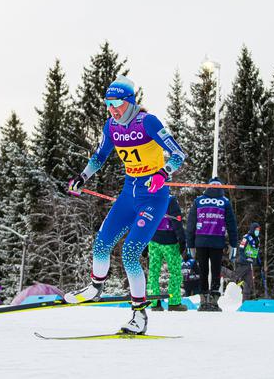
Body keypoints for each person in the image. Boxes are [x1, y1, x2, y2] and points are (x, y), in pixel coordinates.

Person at [64, 76, 186, 334]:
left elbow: (178, 154)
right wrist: (82, 176)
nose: (112, 109)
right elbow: (99, 156)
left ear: (130, 102)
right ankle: (95, 288)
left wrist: (163, 173)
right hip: (128, 194)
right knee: (102, 244)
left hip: (153, 196)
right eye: (108, 104)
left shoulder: (148, 122)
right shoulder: (111, 126)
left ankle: (139, 315)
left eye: (117, 103)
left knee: (130, 252)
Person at [186, 177, 238, 312]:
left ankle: (203, 301)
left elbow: (191, 224)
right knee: (215, 271)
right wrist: (233, 244)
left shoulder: (198, 201)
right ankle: (214, 301)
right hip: (217, 241)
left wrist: (190, 244)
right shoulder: (224, 202)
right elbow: (232, 225)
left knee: (203, 270)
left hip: (201, 241)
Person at [147, 195, 187, 311]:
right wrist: (182, 240)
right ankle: (174, 303)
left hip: (153, 241)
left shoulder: (151, 198)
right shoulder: (170, 200)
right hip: (170, 242)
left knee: (153, 272)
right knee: (175, 272)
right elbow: (176, 221)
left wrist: (144, 241)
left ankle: (154, 303)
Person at [235, 222, 262, 302]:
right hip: (243, 262)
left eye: (258, 230)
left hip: (250, 264)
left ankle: (245, 302)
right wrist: (246, 258)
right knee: (235, 276)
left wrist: (259, 262)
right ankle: (222, 270)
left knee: (248, 283)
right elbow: (241, 250)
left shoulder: (257, 240)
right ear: (252, 229)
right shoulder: (246, 238)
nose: (257, 231)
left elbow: (255, 252)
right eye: (256, 230)